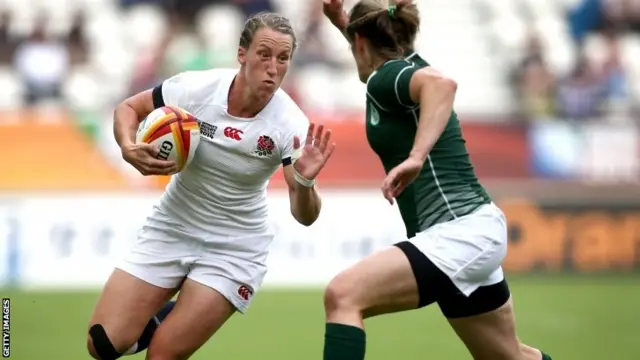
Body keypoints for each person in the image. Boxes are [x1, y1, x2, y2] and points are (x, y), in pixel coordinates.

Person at [86, 12, 335, 360]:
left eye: (283, 58)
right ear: (241, 54)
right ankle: (178, 310)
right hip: (172, 225)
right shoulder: (195, 89)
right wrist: (129, 148)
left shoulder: (290, 123)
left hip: (234, 248)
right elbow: (129, 108)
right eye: (264, 54)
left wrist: (306, 182)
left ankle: (196, 304)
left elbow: (305, 215)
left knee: (161, 356)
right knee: (101, 345)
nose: (273, 67)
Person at [320, 1, 553, 360]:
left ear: (362, 42)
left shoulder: (387, 78)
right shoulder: (406, 67)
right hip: (474, 229)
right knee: (509, 357)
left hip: (458, 232)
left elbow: (443, 86)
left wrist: (416, 156)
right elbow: (389, 64)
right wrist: (345, 25)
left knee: (343, 295)